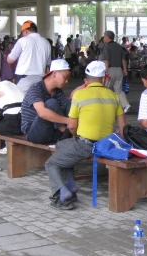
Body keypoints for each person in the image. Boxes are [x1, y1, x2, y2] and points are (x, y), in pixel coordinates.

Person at [44, 61, 126, 210]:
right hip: (105, 145)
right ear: (104, 79)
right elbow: (122, 126)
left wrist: (77, 136)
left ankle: (62, 193)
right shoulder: (114, 96)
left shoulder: (79, 95)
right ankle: (70, 185)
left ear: (86, 80)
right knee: (62, 147)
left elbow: (72, 126)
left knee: (51, 163)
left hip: (85, 144)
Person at [20, 59, 72, 145]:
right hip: (36, 133)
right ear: (54, 74)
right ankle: (66, 131)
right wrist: (68, 121)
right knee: (51, 103)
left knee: (72, 103)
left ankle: (68, 132)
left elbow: (68, 107)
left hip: (52, 132)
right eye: (65, 77)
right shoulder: (36, 88)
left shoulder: (58, 92)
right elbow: (42, 113)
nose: (66, 81)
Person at [8, 20, 52, 93]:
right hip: (40, 77)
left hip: (23, 77)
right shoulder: (46, 42)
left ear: (25, 31)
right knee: (37, 99)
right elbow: (48, 62)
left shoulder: (23, 40)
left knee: (22, 100)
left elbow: (10, 60)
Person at [102, 30, 130, 112]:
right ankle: (126, 105)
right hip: (119, 70)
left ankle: (107, 106)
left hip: (110, 70)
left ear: (107, 37)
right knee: (118, 90)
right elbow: (123, 59)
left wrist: (105, 71)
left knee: (106, 88)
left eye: (104, 36)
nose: (104, 38)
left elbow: (106, 60)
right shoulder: (119, 46)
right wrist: (125, 70)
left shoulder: (107, 47)